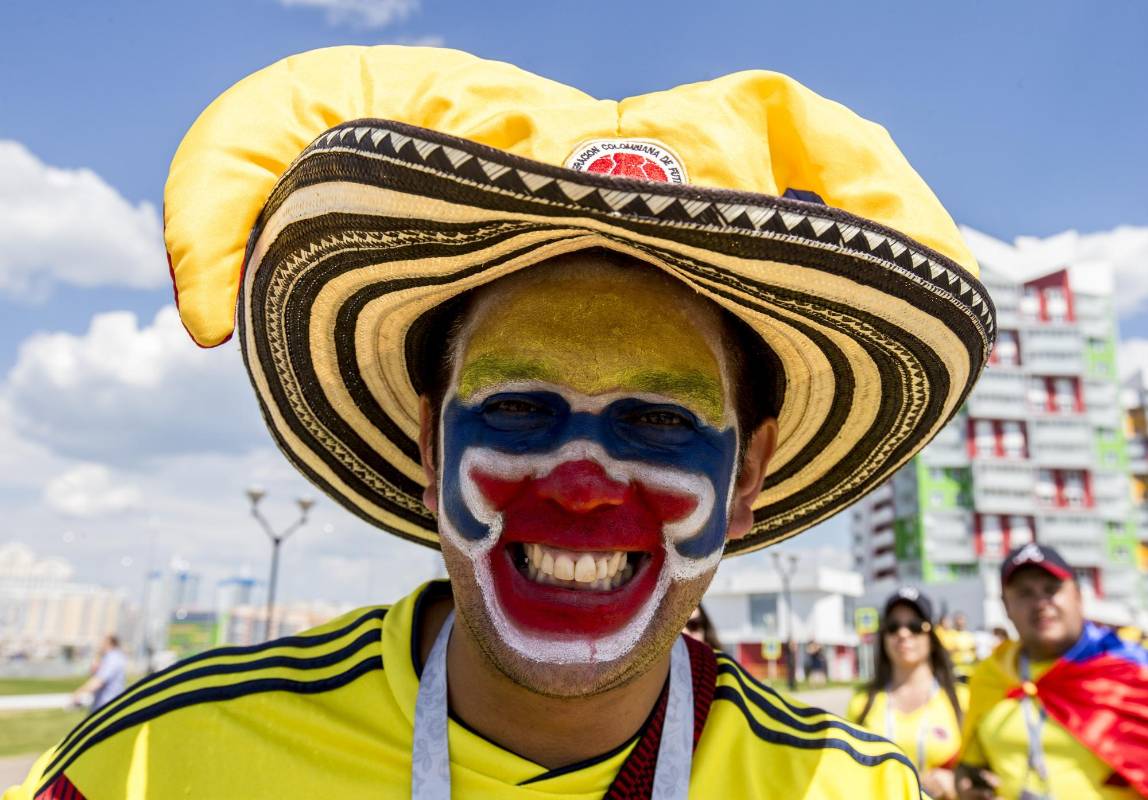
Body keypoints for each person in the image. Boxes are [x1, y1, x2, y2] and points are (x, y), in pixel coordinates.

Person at [7, 46, 993, 799]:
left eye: (655, 419)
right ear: (432, 447)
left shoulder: (850, 785)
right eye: (518, 407)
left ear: (746, 478)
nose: (579, 479)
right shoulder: (153, 766)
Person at [956, 543, 1148, 800]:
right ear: (1006, 606)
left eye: (1051, 589)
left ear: (1078, 595)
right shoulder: (991, 675)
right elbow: (970, 769)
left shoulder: (1131, 670)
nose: (1041, 603)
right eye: (1025, 593)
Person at [848, 588, 968, 800]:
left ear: (932, 636)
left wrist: (956, 782)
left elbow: (985, 772)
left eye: (915, 626)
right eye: (893, 627)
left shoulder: (962, 698)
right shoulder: (862, 702)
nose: (903, 634)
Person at [71, 635, 126, 713]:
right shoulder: (108, 657)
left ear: (108, 643)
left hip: (107, 706)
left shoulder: (113, 659)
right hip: (102, 705)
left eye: (102, 642)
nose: (100, 645)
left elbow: (99, 681)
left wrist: (79, 692)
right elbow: (94, 674)